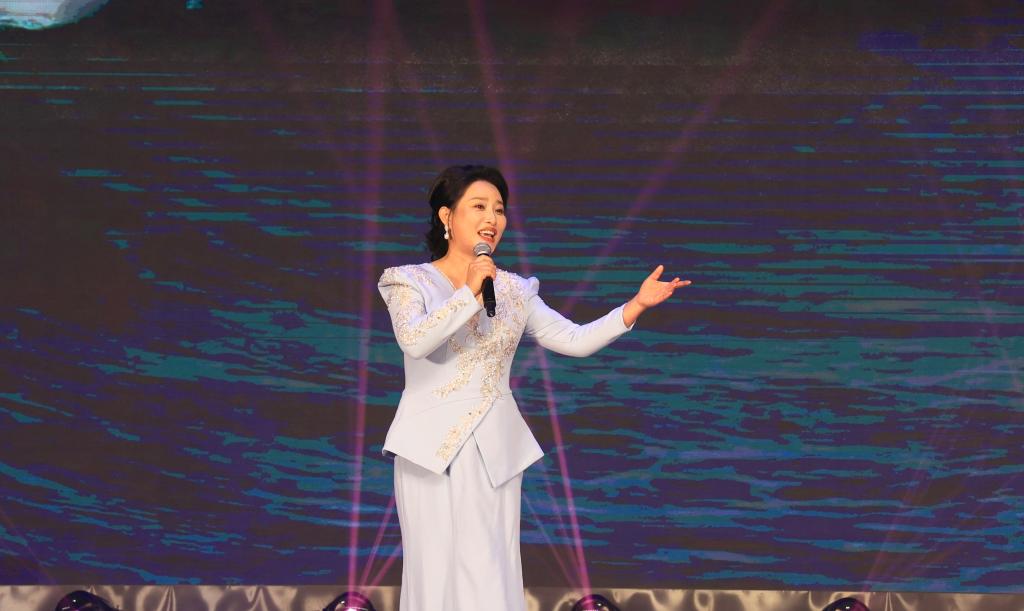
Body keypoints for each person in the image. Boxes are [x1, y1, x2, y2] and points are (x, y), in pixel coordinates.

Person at [377, 165, 690, 611]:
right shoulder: (408, 281)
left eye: (499, 209)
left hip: (494, 450)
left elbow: (574, 339)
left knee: (491, 569)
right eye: (479, 206)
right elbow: (415, 341)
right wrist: (468, 292)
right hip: (428, 450)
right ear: (447, 217)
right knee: (432, 570)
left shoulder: (514, 290)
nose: (492, 218)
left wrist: (634, 306)